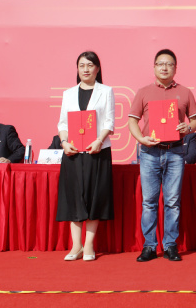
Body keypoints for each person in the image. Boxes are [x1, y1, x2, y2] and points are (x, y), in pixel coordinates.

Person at [129, 49, 196, 263]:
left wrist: (188, 127)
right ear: (154, 67)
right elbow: (132, 121)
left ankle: (170, 245)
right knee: (149, 202)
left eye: (169, 64)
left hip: (176, 151)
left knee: (172, 202)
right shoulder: (143, 92)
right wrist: (141, 139)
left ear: (175, 68)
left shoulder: (185, 92)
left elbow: (195, 120)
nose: (164, 67)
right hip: (149, 152)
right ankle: (149, 246)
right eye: (160, 64)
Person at [56, 51, 115, 262]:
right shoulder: (68, 93)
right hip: (72, 152)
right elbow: (62, 123)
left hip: (97, 151)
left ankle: (89, 244)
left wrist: (99, 140)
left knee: (94, 197)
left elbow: (109, 121)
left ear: (97, 69)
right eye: (82, 65)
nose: (86, 69)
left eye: (90, 65)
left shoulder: (106, 91)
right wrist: (64, 142)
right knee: (74, 197)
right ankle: (76, 245)